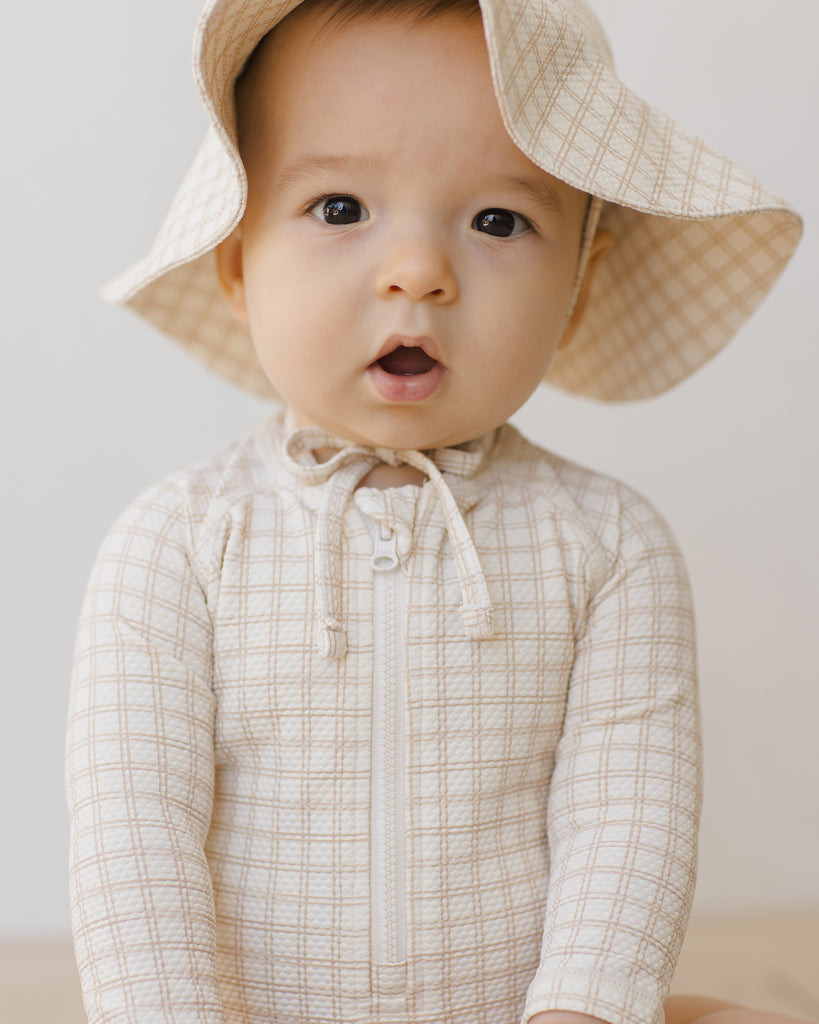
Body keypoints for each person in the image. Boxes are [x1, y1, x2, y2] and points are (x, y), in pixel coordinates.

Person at [65, 0, 804, 1022]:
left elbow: (629, 819)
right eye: (339, 207)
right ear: (236, 261)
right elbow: (133, 835)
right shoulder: (178, 543)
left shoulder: (608, 545)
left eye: (497, 220)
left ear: (577, 286)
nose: (417, 271)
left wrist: (581, 1006)